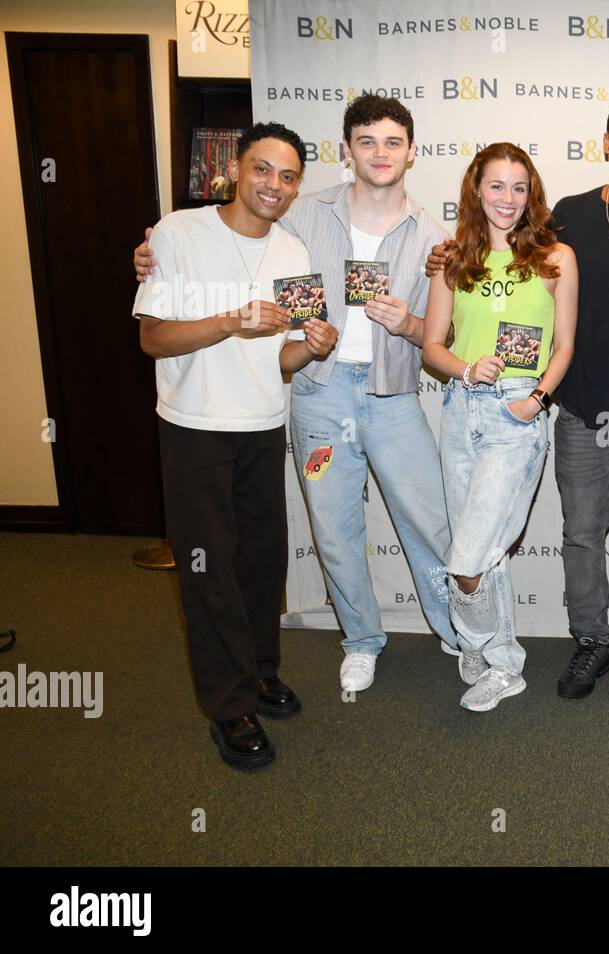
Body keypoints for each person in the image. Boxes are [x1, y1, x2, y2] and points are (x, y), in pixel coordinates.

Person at [137, 96, 463, 696]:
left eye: (394, 143)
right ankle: (362, 641)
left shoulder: (435, 239)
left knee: (431, 525)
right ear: (348, 151)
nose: (381, 153)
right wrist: (153, 258)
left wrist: (410, 325)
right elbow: (231, 239)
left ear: (412, 154)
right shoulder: (297, 218)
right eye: (368, 141)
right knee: (335, 531)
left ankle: (458, 632)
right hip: (318, 392)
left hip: (392, 396)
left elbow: (445, 337)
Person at [428, 94, 609, 710]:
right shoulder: (568, 216)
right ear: (606, 141)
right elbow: (509, 266)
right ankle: (592, 641)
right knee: (581, 539)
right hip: (581, 412)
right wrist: (446, 259)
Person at [133, 122, 339, 770]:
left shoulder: (294, 255)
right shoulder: (176, 234)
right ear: (235, 169)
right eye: (262, 169)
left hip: (260, 424)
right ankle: (228, 709)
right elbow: (153, 339)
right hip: (194, 425)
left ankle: (257, 674)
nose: (273, 185)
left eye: (286, 175)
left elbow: (282, 360)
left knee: (260, 563)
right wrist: (228, 320)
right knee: (207, 569)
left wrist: (315, 345)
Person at [422, 143, 576, 711]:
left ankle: (491, 653)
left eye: (518, 187)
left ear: (530, 193)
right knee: (485, 554)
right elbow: (432, 347)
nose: (507, 199)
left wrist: (536, 398)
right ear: (476, 189)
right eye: (496, 186)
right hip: (463, 408)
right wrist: (466, 367)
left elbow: (565, 346)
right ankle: (491, 655)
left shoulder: (556, 257)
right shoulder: (452, 260)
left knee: (466, 561)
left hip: (517, 415)